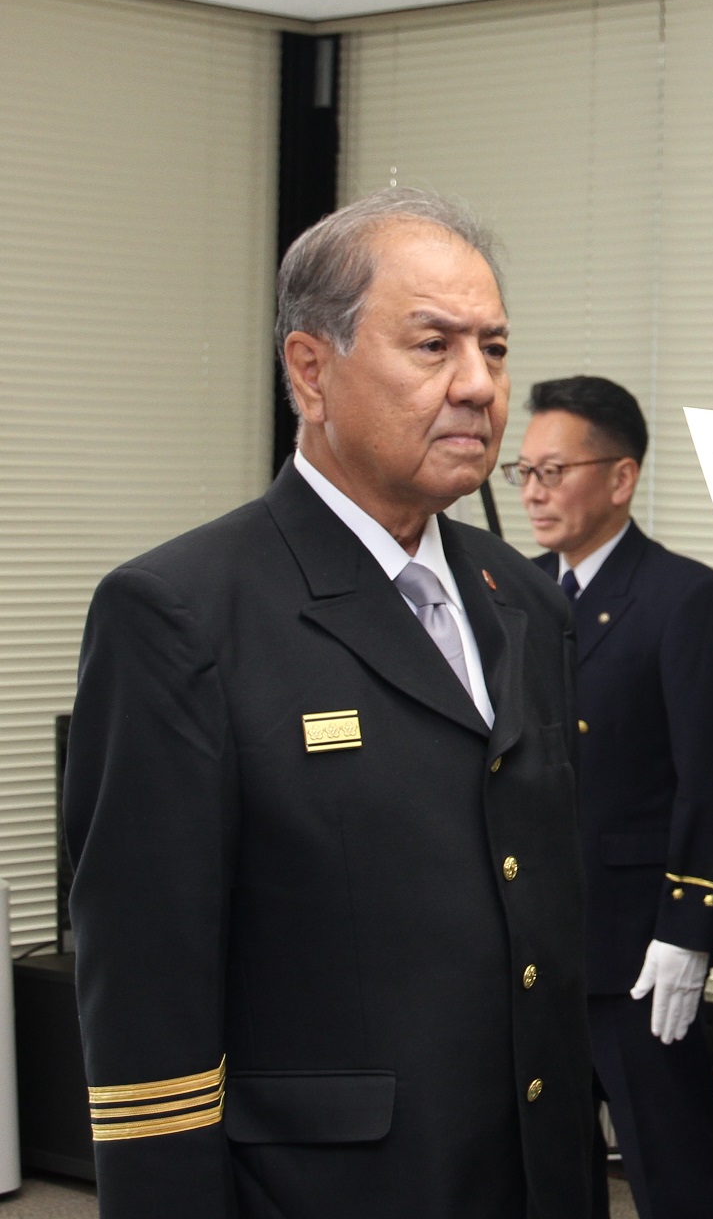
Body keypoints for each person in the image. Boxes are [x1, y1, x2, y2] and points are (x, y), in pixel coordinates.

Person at [66, 190, 596, 1217]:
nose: (478, 385)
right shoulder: (183, 613)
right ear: (311, 370)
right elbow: (146, 990)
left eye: (493, 348)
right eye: (433, 345)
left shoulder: (522, 600)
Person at [514, 376, 713, 1219]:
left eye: (554, 471)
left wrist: (689, 931)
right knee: (550, 1170)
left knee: (672, 1166)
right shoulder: (515, 590)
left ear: (621, 477)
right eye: (524, 472)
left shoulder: (684, 597)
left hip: (638, 947)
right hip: (541, 940)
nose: (534, 492)